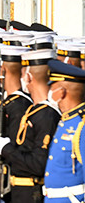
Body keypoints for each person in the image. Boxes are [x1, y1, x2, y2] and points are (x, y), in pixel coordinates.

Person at [41, 59, 85, 203]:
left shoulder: (81, 125)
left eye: (52, 88)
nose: (49, 93)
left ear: (61, 93)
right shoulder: (65, 121)